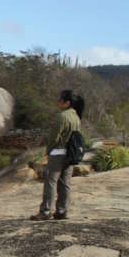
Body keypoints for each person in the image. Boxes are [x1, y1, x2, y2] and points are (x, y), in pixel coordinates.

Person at [30, 90, 84, 220]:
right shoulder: (76, 117)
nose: (58, 101)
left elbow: (54, 137)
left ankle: (46, 211)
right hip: (70, 154)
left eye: (60, 100)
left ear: (67, 103)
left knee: (51, 182)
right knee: (65, 183)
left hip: (58, 153)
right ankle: (62, 210)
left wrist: (48, 151)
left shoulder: (62, 116)